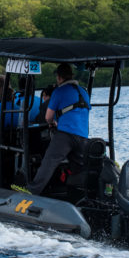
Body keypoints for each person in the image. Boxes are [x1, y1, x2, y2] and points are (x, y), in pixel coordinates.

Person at [26, 63, 90, 195]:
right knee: (80, 166)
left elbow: (48, 116)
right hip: (83, 135)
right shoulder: (84, 92)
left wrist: (52, 123)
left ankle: (32, 191)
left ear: (59, 77)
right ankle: (82, 192)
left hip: (65, 134)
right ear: (71, 76)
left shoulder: (59, 91)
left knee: (49, 161)